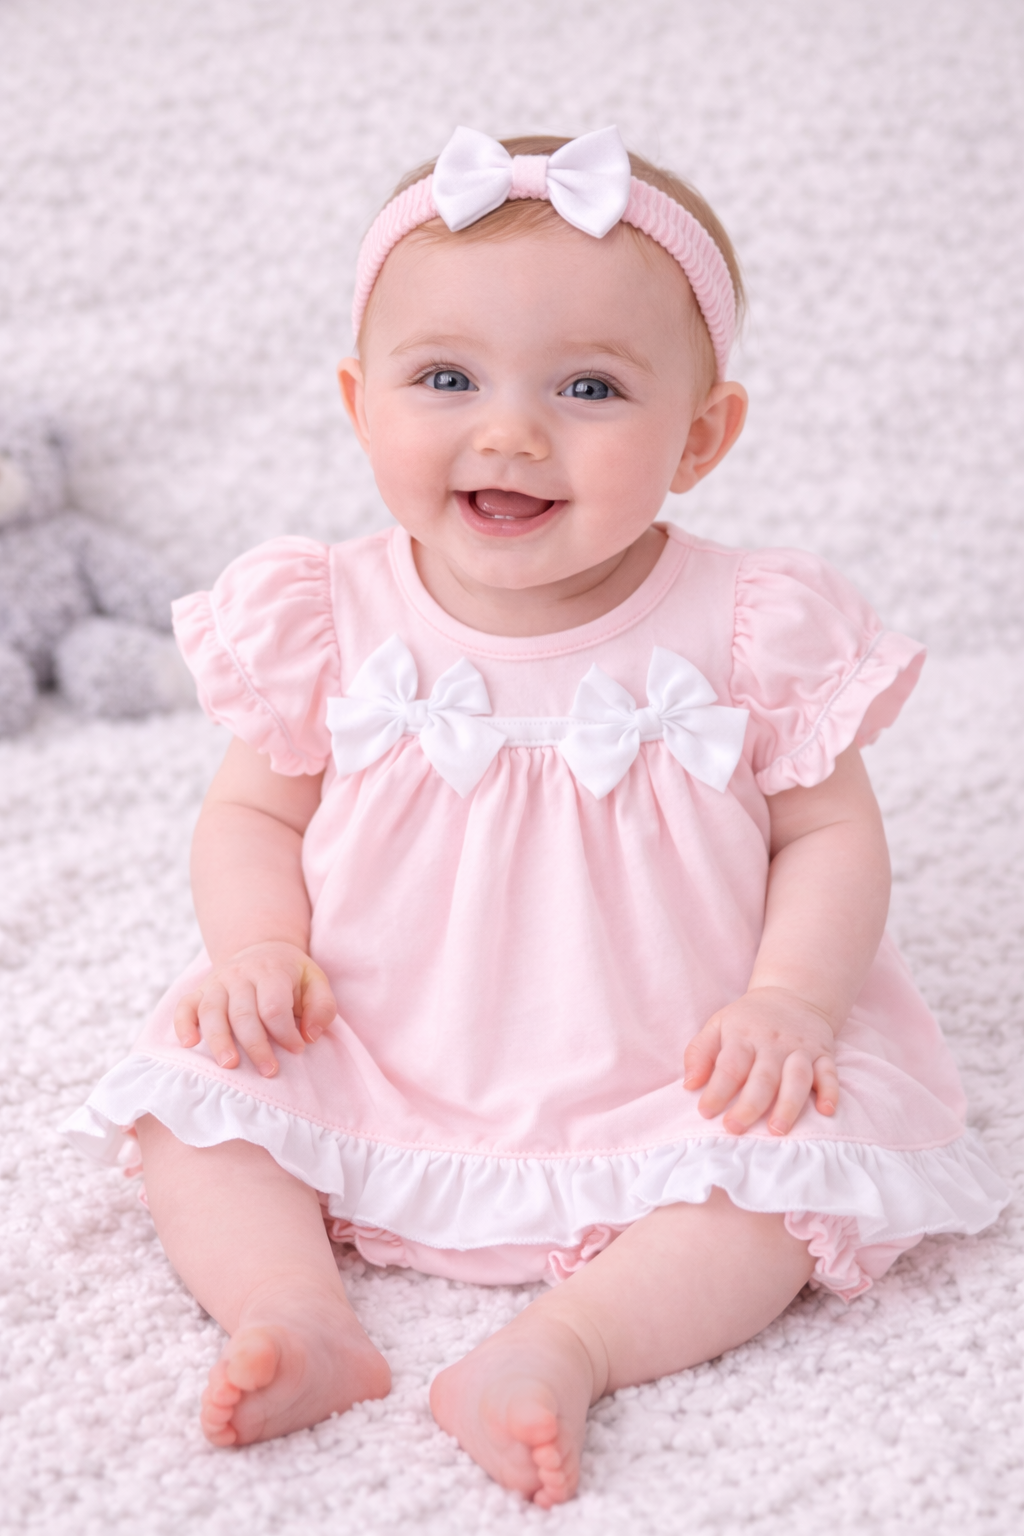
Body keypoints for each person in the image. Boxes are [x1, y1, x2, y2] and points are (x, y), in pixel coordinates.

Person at [66, 127, 1008, 1508]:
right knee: (195, 1108)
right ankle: (300, 1312)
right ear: (357, 401)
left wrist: (792, 1006)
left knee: (784, 1186)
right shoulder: (325, 612)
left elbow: (828, 837)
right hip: (370, 1031)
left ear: (702, 434)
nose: (509, 431)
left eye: (589, 386)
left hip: (672, 1060)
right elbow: (252, 816)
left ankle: (561, 1344)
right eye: (445, 378)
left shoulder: (750, 624)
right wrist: (258, 951)